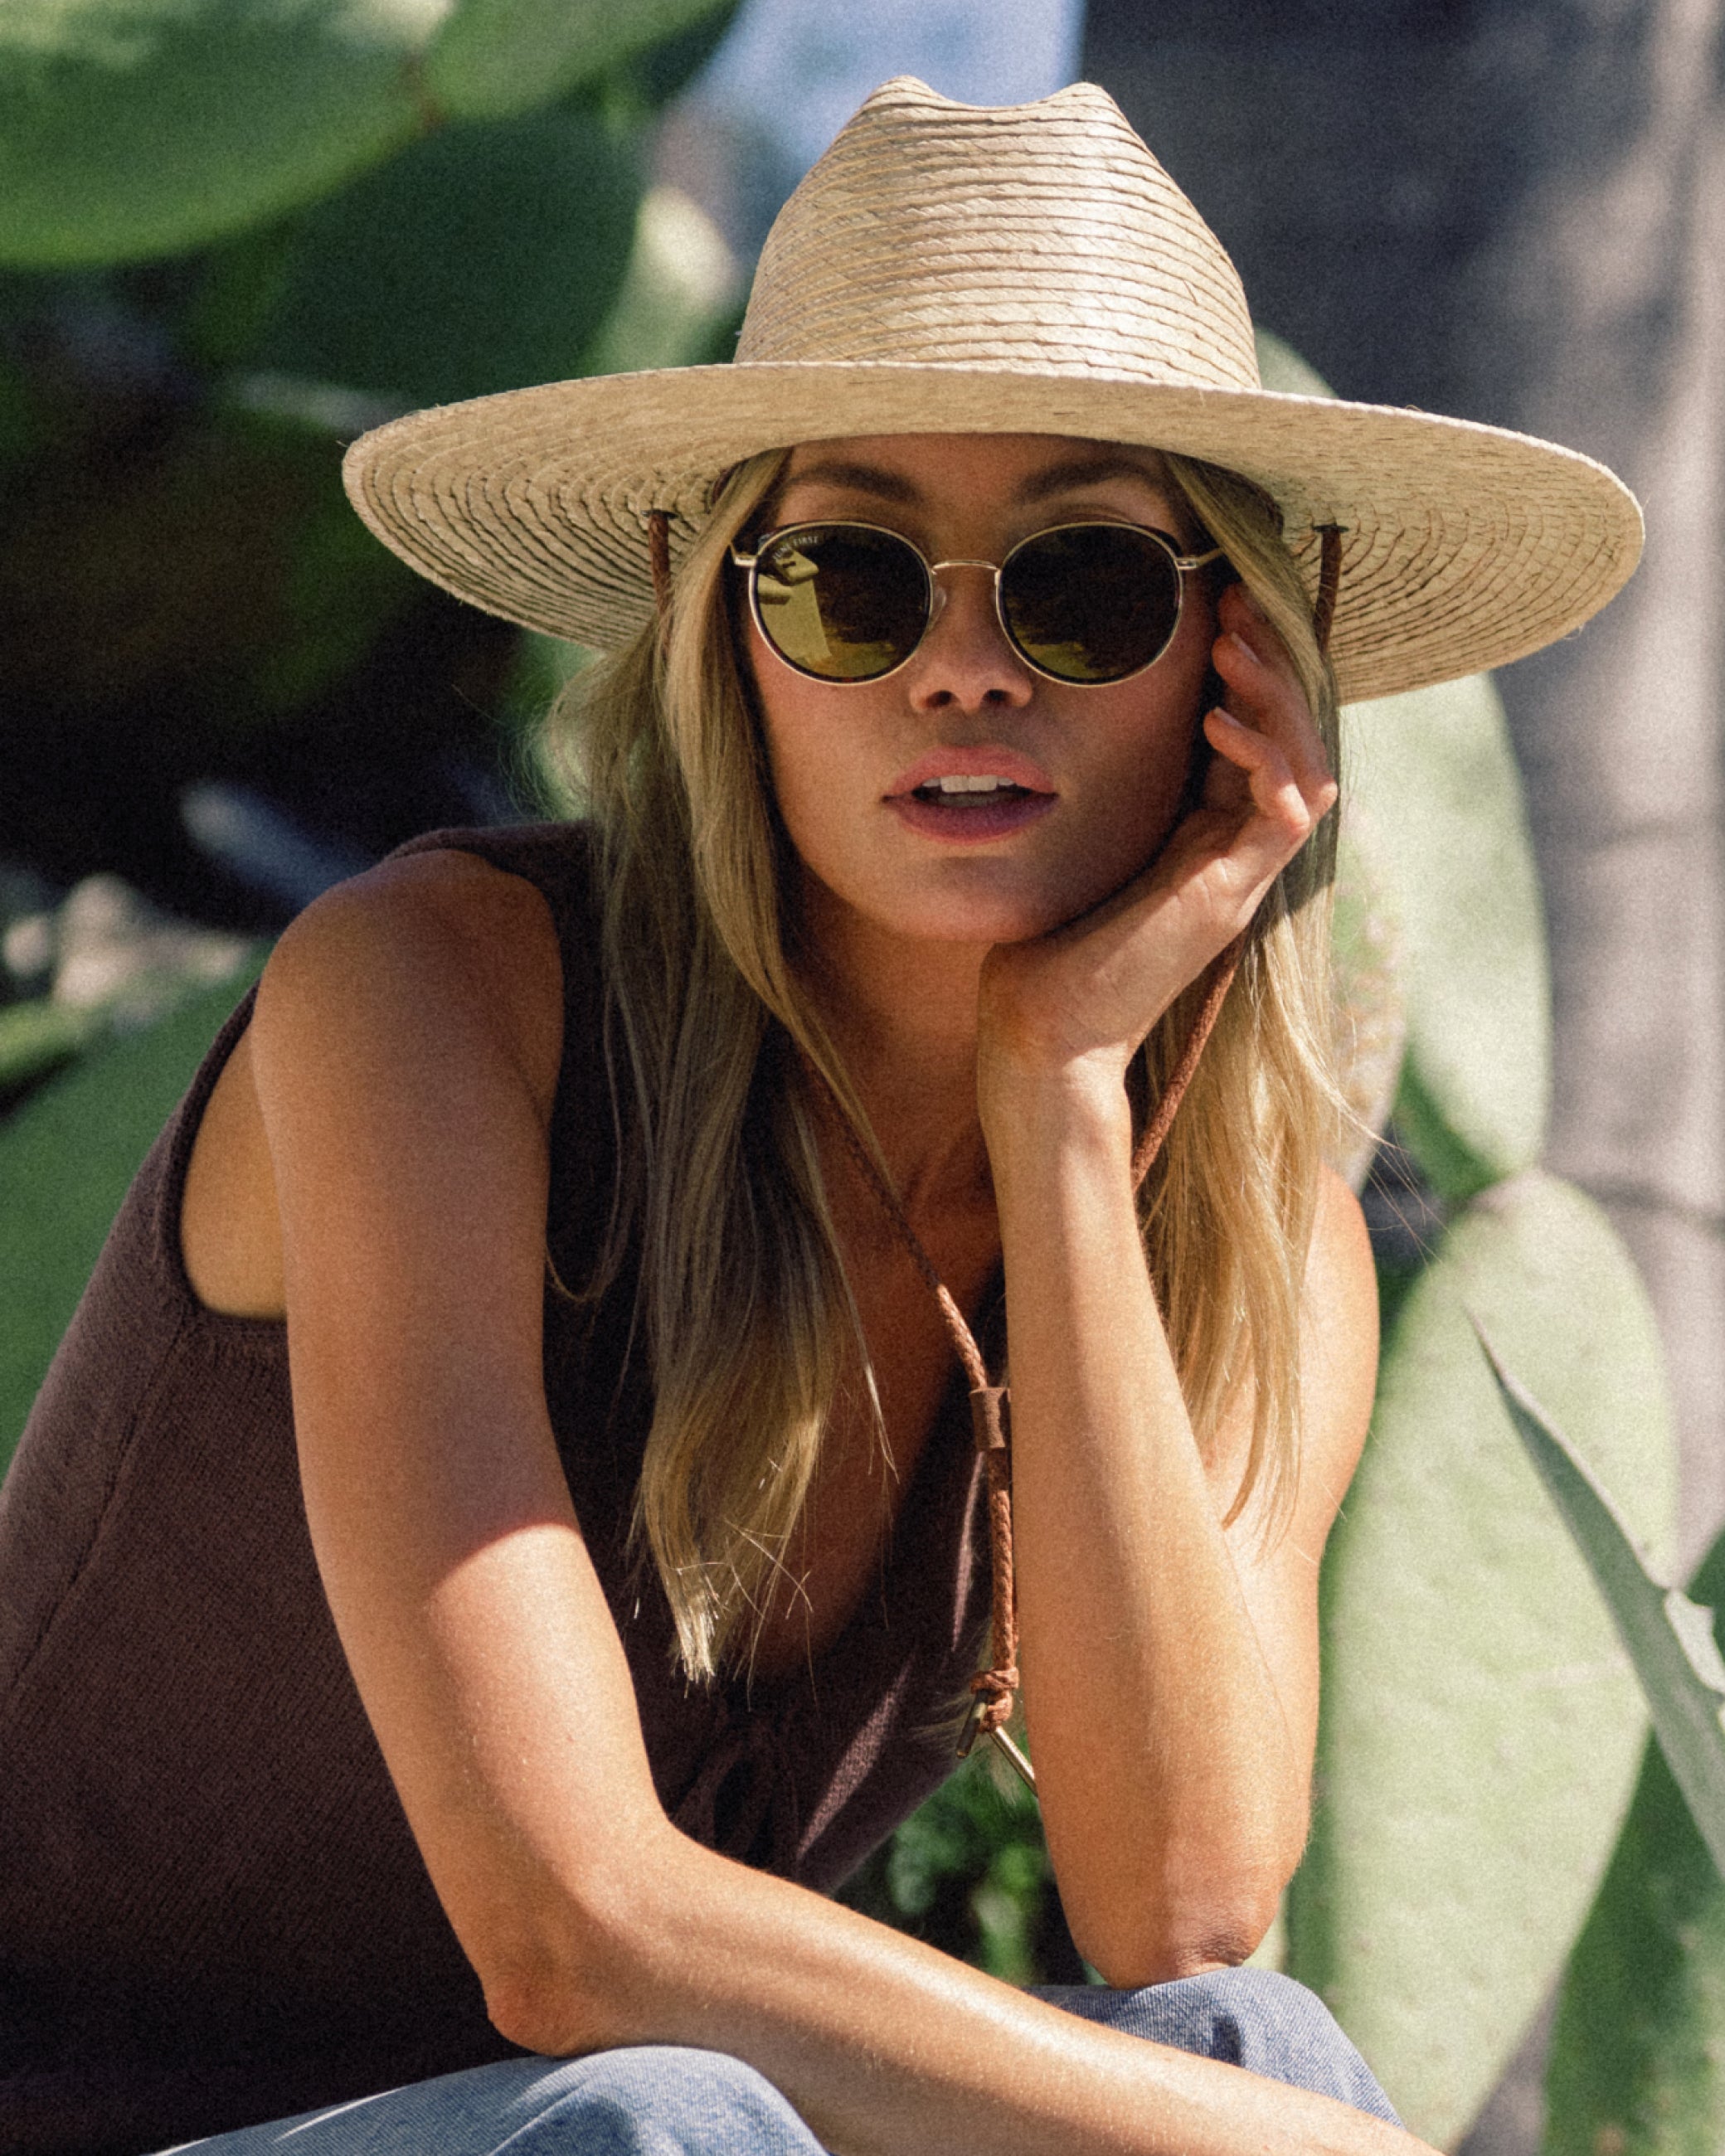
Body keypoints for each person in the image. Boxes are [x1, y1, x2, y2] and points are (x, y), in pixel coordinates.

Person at [0, 75, 1640, 2156]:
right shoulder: (427, 1000)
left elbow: (1180, 1907)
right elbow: (573, 1933)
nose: (960, 668)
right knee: (668, 2117)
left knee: (1242, 2041)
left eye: (1081, 587)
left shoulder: (1242, 1228)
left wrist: (1059, 1096)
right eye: (851, 581)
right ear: (723, 624)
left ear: (1241, 651)